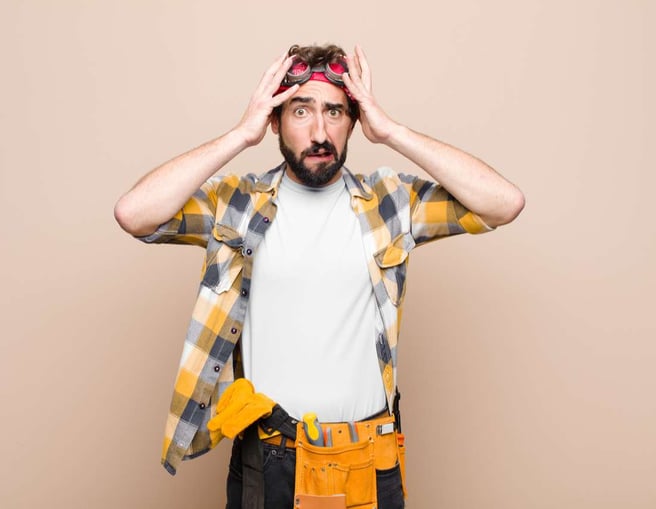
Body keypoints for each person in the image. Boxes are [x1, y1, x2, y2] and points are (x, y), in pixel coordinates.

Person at [114, 43, 524, 509]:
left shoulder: (391, 202)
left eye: (334, 112)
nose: (319, 131)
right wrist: (239, 135)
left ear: (353, 122)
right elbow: (134, 214)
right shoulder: (236, 203)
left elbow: (503, 203)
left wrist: (390, 131)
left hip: (370, 459)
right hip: (269, 458)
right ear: (275, 121)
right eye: (300, 111)